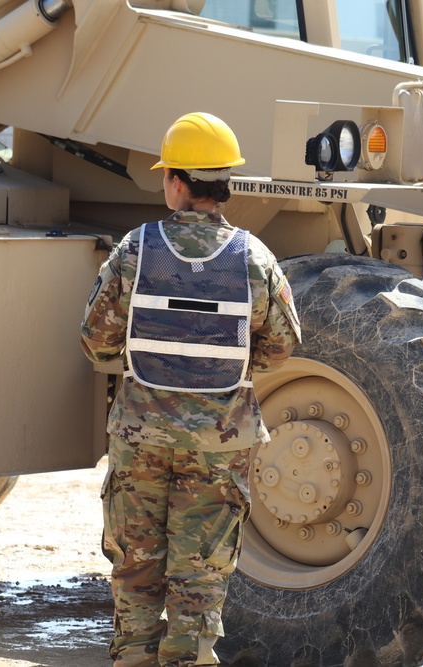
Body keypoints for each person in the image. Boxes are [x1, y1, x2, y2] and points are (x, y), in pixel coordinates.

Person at [80, 111, 301, 666]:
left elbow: (97, 343)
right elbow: (280, 349)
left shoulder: (135, 249)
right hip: (219, 445)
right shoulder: (254, 257)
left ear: (177, 182)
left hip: (140, 440)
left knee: (135, 573)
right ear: (223, 183)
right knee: (198, 585)